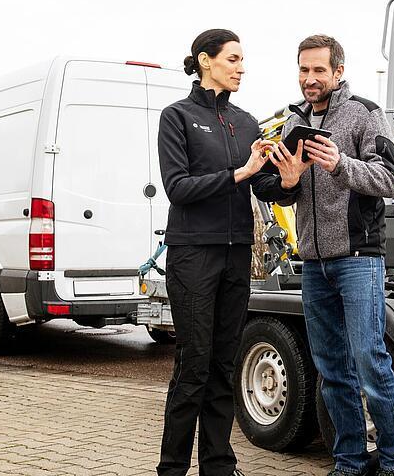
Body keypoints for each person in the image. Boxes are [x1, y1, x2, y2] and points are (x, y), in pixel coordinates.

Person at [265, 34, 394, 476]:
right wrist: (289, 181)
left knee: (370, 361)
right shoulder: (294, 121)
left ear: (338, 72)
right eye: (303, 70)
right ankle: (350, 461)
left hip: (358, 258)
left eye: (318, 70)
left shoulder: (366, 114)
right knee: (331, 370)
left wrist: (339, 164)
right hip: (313, 262)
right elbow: (285, 193)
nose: (309, 79)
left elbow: (391, 179)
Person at [156, 28, 297, 476]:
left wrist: (288, 181)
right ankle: (172, 468)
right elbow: (178, 189)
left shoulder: (247, 122)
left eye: (242, 60)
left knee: (223, 364)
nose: (241, 67)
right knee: (193, 366)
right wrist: (240, 172)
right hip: (193, 255)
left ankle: (218, 465)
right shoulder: (176, 117)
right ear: (205, 61)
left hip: (237, 256)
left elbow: (263, 184)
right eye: (233, 59)